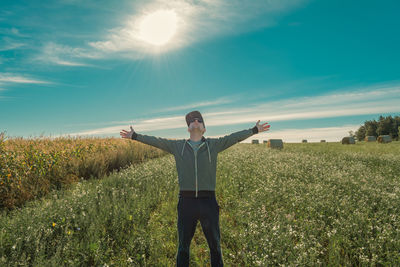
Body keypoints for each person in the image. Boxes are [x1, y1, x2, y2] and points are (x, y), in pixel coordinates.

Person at [120, 111, 270, 267]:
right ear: (188, 128)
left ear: (204, 129)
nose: (196, 121)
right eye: (192, 120)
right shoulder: (178, 146)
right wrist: (135, 136)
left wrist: (254, 130)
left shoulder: (214, 145)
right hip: (186, 202)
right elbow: (157, 141)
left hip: (209, 202)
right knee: (183, 247)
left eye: (199, 120)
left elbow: (233, 137)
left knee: (215, 246)